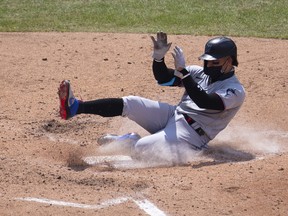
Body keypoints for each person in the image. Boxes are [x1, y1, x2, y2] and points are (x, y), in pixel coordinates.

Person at [58, 32, 245, 164]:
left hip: (190, 136)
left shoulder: (234, 91)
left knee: (140, 149)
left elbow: (205, 101)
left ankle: (129, 140)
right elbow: (164, 79)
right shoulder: (198, 73)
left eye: (215, 62)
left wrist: (185, 74)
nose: (208, 65)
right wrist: (158, 58)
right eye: (207, 61)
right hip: (173, 115)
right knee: (131, 103)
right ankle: (75, 107)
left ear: (229, 61)